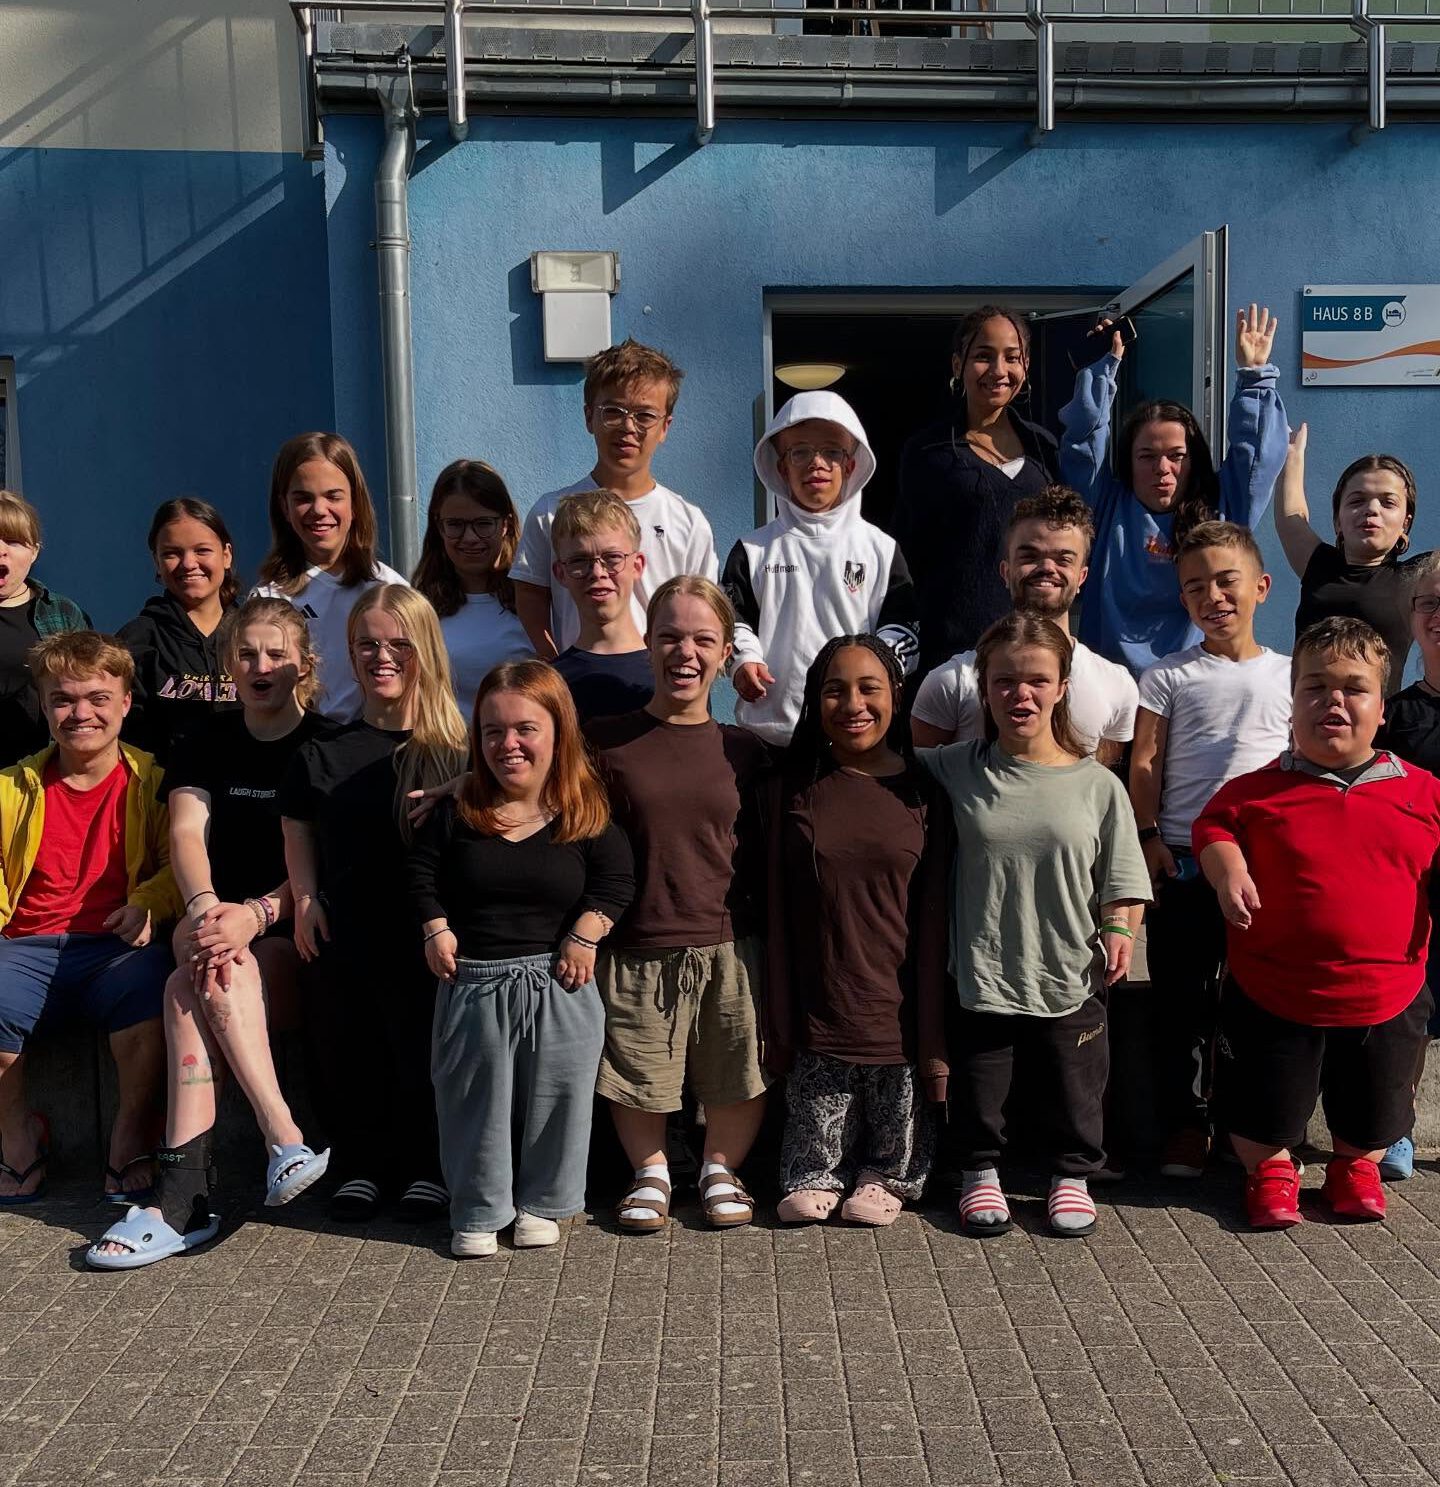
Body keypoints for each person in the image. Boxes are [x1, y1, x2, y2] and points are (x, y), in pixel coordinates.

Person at [87, 598, 332, 1268]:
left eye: (276, 653)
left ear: (303, 664)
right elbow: (187, 831)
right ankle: (280, 1139)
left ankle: (185, 1197)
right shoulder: (204, 738)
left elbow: (319, 864)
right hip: (215, 926)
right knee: (204, 970)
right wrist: (202, 907)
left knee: (194, 980)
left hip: (292, 936)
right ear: (227, 664)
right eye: (246, 653)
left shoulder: (325, 743)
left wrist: (255, 913)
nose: (261, 666)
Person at [1196, 617, 1440, 1230]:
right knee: (1261, 1105)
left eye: (1353, 688)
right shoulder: (1256, 790)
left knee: (1376, 1104)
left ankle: (1355, 1164)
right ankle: (1271, 1168)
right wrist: (1226, 868)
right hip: (1272, 988)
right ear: (1292, 704)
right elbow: (1213, 827)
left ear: (1382, 709)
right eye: (1314, 687)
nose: (1333, 699)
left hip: (1388, 991)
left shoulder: (1424, 792)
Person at [920, 612, 1149, 1238]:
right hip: (983, 961)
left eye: (1036, 681)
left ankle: (1071, 1174)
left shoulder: (1098, 784)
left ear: (1062, 686)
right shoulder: (951, 768)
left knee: (1075, 1082)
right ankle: (979, 1171)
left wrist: (1121, 929)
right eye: (1004, 682)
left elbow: (1121, 871)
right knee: (982, 1079)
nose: (1020, 695)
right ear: (983, 688)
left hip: (1069, 962)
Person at [408, 661, 634, 1257]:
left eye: (525, 729)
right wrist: (434, 926)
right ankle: (478, 1209)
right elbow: (420, 876)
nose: (509, 744)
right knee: (472, 1107)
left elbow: (617, 880)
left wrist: (587, 934)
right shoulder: (456, 814)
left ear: (557, 732)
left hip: (558, 985)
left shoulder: (583, 814)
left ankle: (543, 1204)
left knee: (558, 1101)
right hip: (473, 984)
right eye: (492, 731)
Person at [587, 577, 771, 1234]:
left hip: (728, 938)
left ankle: (721, 1166)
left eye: (702, 638)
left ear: (726, 653)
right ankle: (654, 1171)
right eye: (669, 636)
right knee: (638, 1063)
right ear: (648, 644)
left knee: (735, 1061)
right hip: (638, 938)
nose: (684, 651)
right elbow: (534, 776)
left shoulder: (746, 749)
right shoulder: (606, 741)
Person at [281, 585, 467, 1221]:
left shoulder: (458, 752)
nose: (381, 656)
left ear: (427, 651)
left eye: (398, 645)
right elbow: (297, 828)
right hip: (347, 930)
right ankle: (360, 1163)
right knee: (347, 1048)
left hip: (430, 936)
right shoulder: (323, 750)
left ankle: (427, 1165)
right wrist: (304, 898)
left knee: (424, 1051)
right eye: (367, 644)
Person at [767, 635, 950, 1227]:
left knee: (896, 1092)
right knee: (819, 1093)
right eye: (834, 690)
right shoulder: (792, 789)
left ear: (895, 696)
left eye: (869, 688)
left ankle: (888, 1172)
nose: (853, 704)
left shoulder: (925, 793)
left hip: (899, 987)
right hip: (821, 981)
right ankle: (819, 1171)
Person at [1129, 521, 1292, 1178]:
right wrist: (1147, 840)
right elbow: (1145, 762)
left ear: (1261, 586)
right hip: (1187, 864)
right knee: (1184, 1005)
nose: (1212, 595)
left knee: (1256, 1005)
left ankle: (1245, 1127)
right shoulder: (1167, 676)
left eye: (1226, 580)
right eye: (1194, 585)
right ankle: (1184, 1125)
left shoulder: (1288, 673)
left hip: (1266, 870)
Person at [0, 633, 180, 1204]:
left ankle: (130, 1138)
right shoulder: (10, 787)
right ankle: (16, 1139)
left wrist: (149, 901)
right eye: (63, 700)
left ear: (126, 703)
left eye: (98, 698)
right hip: (24, 944)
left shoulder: (155, 781)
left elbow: (182, 865)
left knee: (150, 995)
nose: (81, 714)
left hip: (114, 945)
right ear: (42, 705)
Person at [1060, 304, 1288, 676]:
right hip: (1115, 699)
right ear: (1128, 462)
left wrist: (1255, 376)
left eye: (1176, 455)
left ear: (1193, 458)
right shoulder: (1103, 507)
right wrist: (1103, 368)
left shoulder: (1223, 511)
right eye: (1147, 456)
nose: (1162, 468)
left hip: (1197, 696)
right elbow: (1083, 442)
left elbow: (1258, 457)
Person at [723, 390, 920, 746]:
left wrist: (875, 675)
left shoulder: (880, 549)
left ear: (850, 465)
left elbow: (903, 627)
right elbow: (730, 621)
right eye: (799, 452)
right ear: (781, 466)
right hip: (770, 739)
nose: (817, 463)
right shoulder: (752, 550)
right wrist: (743, 661)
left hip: (855, 737)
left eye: (832, 451)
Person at [511, 340, 717, 658]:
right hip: (577, 688)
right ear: (589, 417)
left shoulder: (688, 522)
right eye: (613, 412)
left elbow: (704, 612)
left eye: (645, 415)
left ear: (665, 427)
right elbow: (529, 596)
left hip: (658, 689)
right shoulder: (550, 512)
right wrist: (555, 665)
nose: (628, 427)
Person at [911, 486, 1137, 763]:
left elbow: (1098, 788)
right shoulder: (951, 682)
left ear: (1082, 577)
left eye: (1063, 559)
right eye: (1029, 556)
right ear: (1006, 572)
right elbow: (923, 791)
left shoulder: (1117, 686)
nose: (1047, 568)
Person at [893, 306, 1062, 676]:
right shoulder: (928, 453)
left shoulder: (1045, 449)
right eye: (984, 356)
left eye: (1012, 357)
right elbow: (907, 558)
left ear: (1026, 365)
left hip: (1035, 658)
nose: (999, 370)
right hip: (952, 660)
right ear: (958, 365)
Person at [253, 432, 408, 723]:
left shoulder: (390, 589)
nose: (319, 510)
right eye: (303, 498)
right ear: (284, 507)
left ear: (355, 504)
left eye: (333, 496)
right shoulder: (268, 598)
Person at [1372, 551, 1440, 1180]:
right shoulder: (1395, 715)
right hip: (1410, 893)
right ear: (1413, 618)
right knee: (1408, 1012)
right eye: (1430, 603)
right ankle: (1396, 1129)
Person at [1276, 423, 1428, 686]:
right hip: (1308, 720)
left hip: (1379, 724)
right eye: (1357, 501)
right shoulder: (1318, 566)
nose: (1371, 509)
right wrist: (1292, 456)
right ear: (1338, 520)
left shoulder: (1415, 579)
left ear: (1405, 522)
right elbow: (1292, 518)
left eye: (1387, 502)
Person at [119, 498, 241, 763]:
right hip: (161, 797)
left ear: (226, 554)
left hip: (246, 795)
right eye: (172, 553)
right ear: (156, 562)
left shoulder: (254, 635)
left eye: (202, 550)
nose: (188, 563)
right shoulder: (136, 641)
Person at [413, 459, 533, 718]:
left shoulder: (534, 601)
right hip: (444, 754)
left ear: (506, 525)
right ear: (438, 526)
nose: (469, 538)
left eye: (483, 523)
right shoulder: (420, 608)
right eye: (455, 524)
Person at [0, 491, 90, 768]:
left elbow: (87, 690)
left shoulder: (61, 613)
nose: (1, 550)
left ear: (34, 551)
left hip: (37, 774)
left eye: (13, 541)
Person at [549, 491, 655, 723]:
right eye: (579, 561)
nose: (597, 573)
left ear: (637, 566)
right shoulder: (550, 685)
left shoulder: (668, 674)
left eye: (612, 558)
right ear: (560, 573)